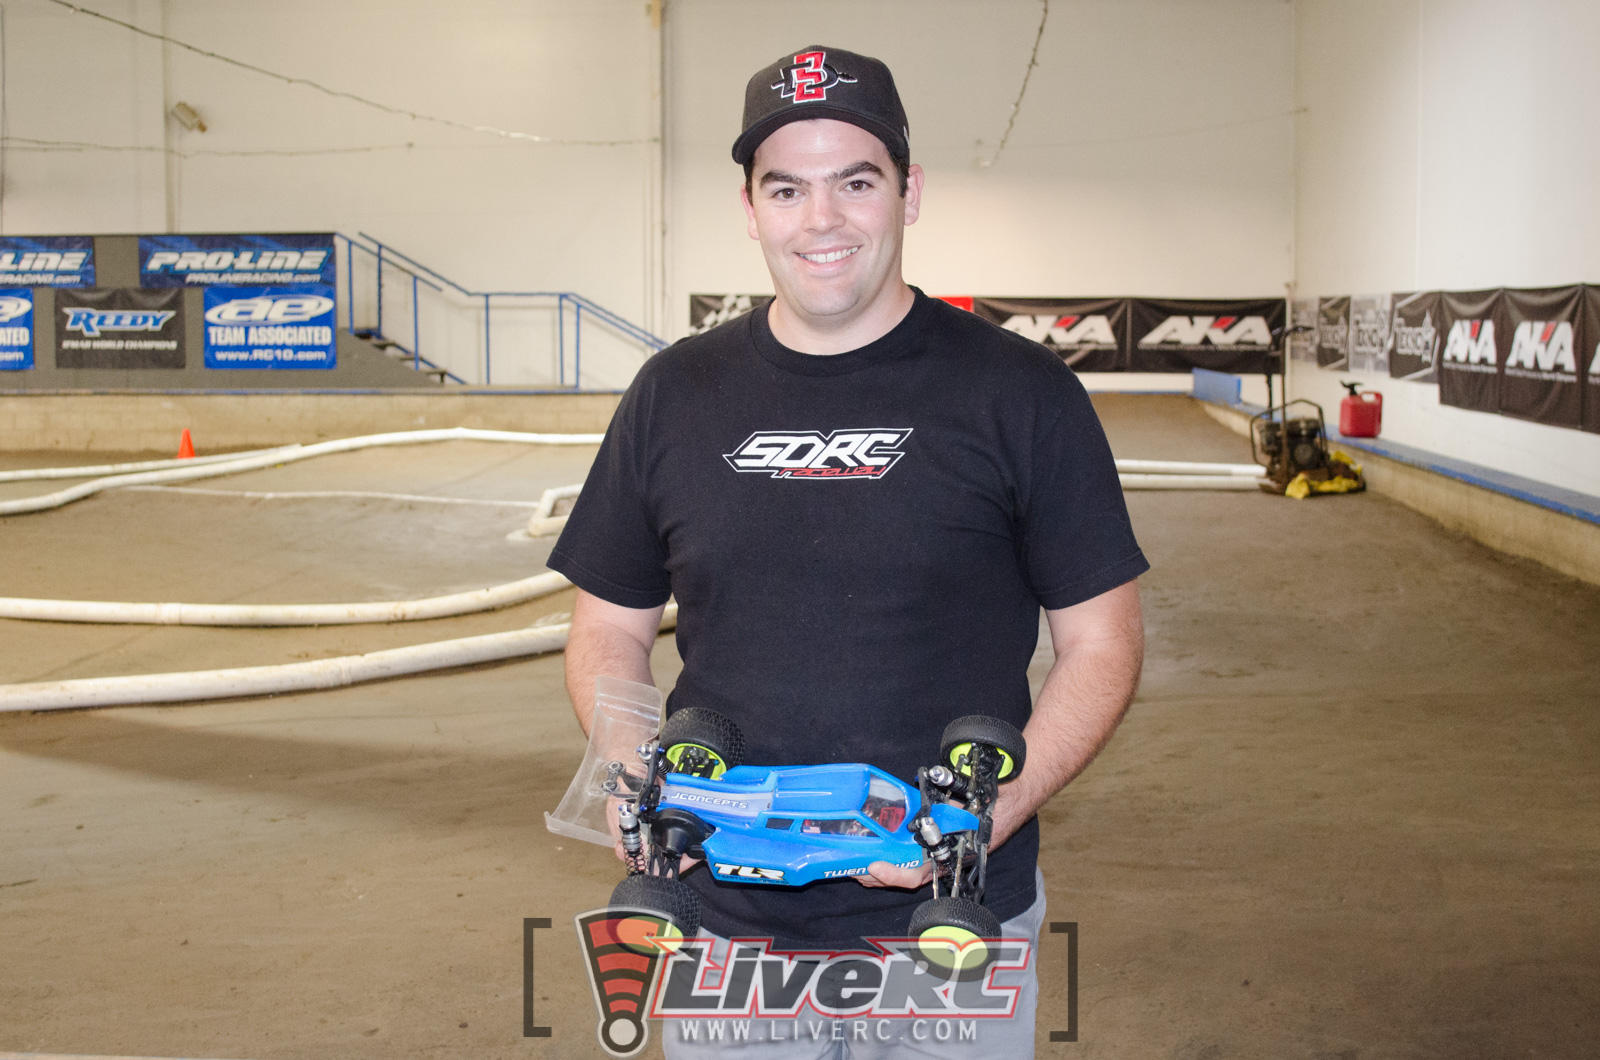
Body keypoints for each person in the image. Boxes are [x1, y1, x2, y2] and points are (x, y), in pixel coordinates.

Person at [550, 45, 1147, 1059]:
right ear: (750, 208)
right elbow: (609, 626)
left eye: (855, 182)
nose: (820, 219)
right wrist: (626, 767)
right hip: (721, 924)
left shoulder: (1020, 393)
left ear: (910, 193)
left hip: (949, 927)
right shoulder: (674, 394)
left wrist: (989, 817)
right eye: (786, 188)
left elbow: (1104, 641)